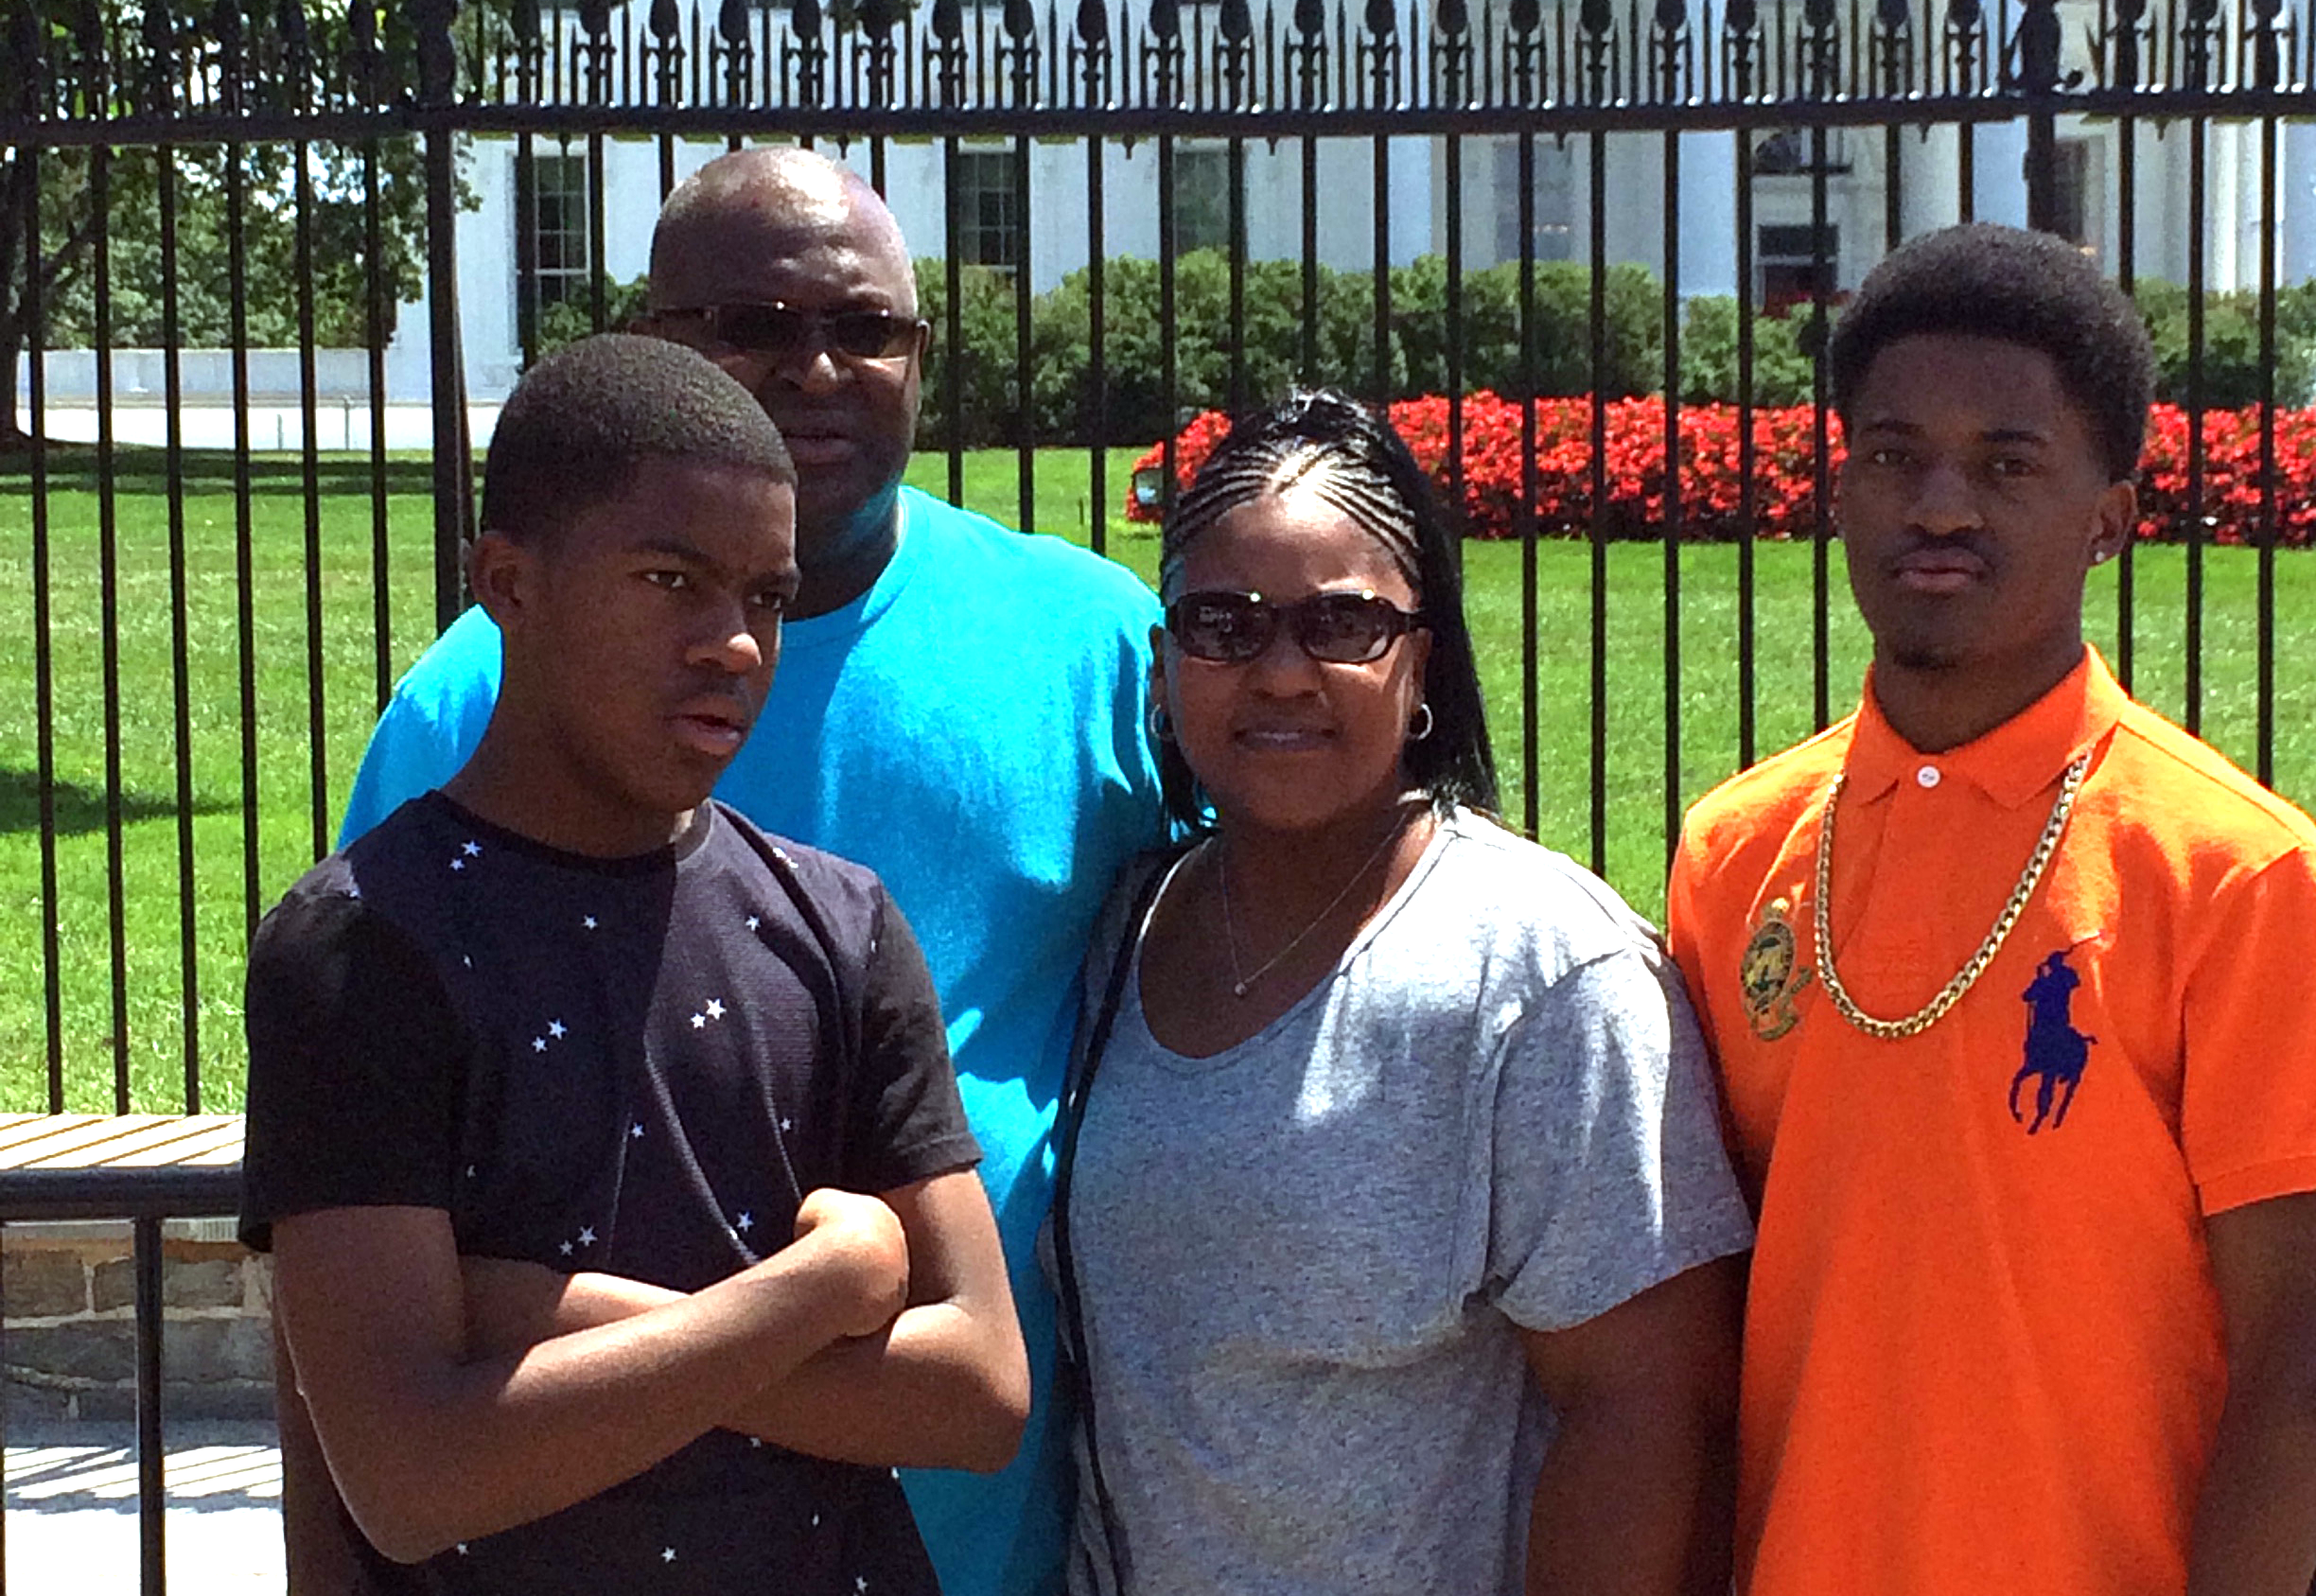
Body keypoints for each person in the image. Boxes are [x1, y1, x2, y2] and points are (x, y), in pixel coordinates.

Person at [317, 147, 1165, 1596]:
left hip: (971, 1540)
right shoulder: (473, 704)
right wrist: (820, 1291)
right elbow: (355, 1274)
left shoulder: (1098, 640)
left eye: (870, 328)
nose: (821, 366)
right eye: (758, 326)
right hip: (536, 1523)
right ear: (656, 346)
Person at [241, 334, 1029, 1596]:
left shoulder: (838, 922)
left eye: (767, 596)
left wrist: (543, 1318)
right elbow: (408, 1476)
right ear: (510, 582)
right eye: (673, 578)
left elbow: (980, 1390)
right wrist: (828, 1279)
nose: (734, 643)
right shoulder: (366, 946)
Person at [1665, 223, 2316, 1596]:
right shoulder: (1735, 854)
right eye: (1895, 455)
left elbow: (2298, 1349)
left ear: (2110, 519)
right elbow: (1698, 1315)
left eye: (2007, 463)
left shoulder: (2236, 875)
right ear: (1840, 490)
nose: (1941, 504)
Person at [1047, 390, 1754, 1595]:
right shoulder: (1128, 925)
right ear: (1163, 667)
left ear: (1419, 658)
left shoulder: (1539, 973)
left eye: (1341, 623)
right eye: (1223, 624)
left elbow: (1647, 1417)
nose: (1279, 673)